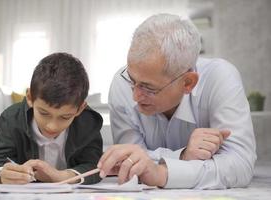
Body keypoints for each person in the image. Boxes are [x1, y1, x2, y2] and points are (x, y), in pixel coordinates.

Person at [98, 13, 256, 189]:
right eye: (132, 80)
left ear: (188, 83)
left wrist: (162, 173)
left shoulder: (220, 78)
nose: (135, 96)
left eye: (149, 87)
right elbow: (129, 162)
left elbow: (240, 165)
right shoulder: (121, 84)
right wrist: (182, 156)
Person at [0, 52, 103, 186]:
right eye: (44, 113)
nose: (52, 126)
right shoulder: (12, 119)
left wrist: (62, 176)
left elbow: (95, 166)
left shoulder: (88, 123)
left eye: (65, 117)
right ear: (29, 97)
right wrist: (1, 175)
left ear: (80, 109)